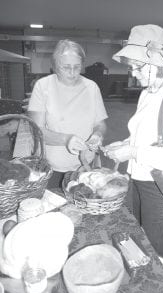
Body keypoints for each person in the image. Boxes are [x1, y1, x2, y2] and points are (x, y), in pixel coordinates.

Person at [104, 24, 163, 259]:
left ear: (156, 63)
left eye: (137, 67)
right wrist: (125, 144)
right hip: (139, 177)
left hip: (160, 184)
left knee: (153, 243)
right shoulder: (148, 92)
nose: (133, 73)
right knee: (140, 235)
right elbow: (144, 135)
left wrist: (132, 152)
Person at [28, 39, 108, 188]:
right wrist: (66, 139)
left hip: (85, 166)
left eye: (77, 67)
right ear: (55, 66)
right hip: (53, 168)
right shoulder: (43, 86)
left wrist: (97, 134)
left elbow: (100, 123)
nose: (72, 73)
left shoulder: (91, 88)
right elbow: (37, 130)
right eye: (66, 67)